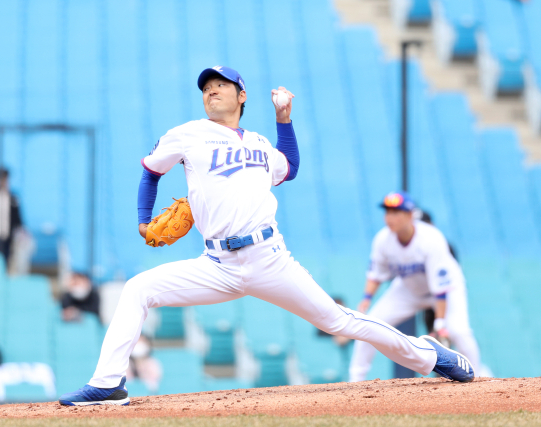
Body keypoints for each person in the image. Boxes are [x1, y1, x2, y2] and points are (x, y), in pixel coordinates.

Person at [58, 66, 474, 407]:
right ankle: (109, 384)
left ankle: (430, 356)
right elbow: (151, 171)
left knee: (338, 321)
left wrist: (284, 120)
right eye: (206, 88)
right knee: (137, 289)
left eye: (221, 86)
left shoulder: (258, 143)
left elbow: (289, 167)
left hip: (269, 258)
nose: (212, 92)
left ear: (242, 96)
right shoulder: (186, 134)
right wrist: (142, 219)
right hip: (216, 264)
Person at [348, 192, 481, 382]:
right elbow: (376, 274)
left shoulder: (431, 238)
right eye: (387, 212)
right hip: (408, 289)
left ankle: (477, 377)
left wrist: (440, 323)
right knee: (369, 325)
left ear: (410, 215)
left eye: (396, 212)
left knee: (459, 331)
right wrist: (366, 299)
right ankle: (355, 379)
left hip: (447, 289)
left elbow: (440, 287)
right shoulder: (382, 240)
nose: (390, 218)